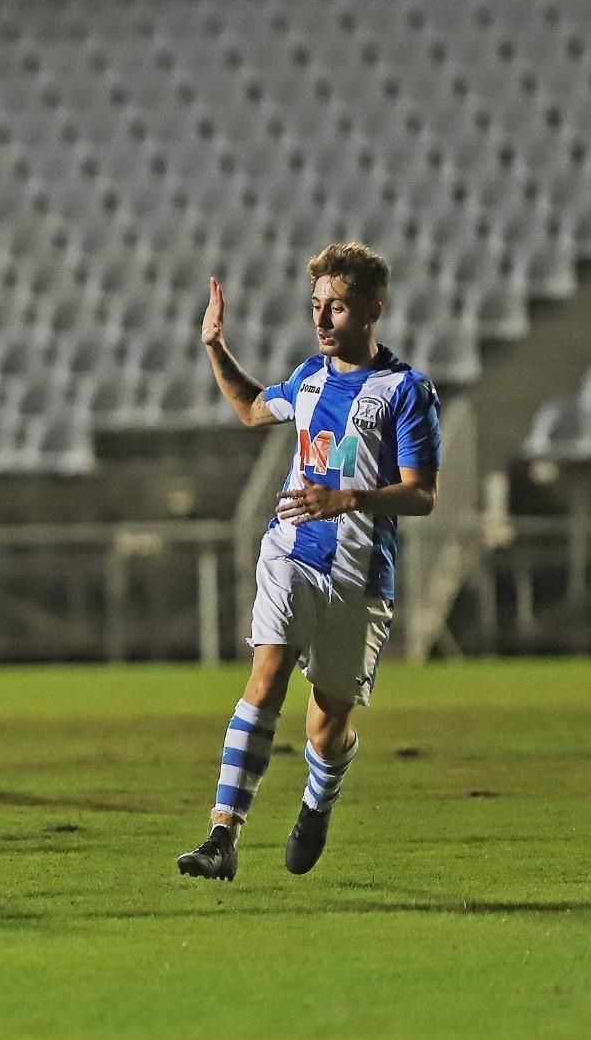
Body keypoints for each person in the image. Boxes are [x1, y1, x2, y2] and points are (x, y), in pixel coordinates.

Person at [176, 243, 441, 881]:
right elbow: (248, 408)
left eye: (338, 307)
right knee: (266, 672)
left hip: (359, 575)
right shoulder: (309, 379)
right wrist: (215, 346)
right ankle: (222, 836)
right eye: (316, 306)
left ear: (373, 309)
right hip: (293, 549)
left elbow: (423, 494)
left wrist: (351, 497)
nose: (322, 320)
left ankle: (319, 796)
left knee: (327, 723)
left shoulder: (405, 391)